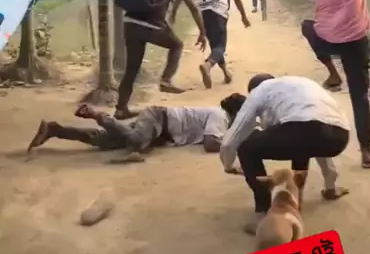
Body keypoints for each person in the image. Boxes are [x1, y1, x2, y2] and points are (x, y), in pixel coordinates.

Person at [265, 0, 370, 169]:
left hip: (327, 39)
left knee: (307, 26)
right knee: (359, 97)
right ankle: (366, 152)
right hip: (356, 39)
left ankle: (332, 72)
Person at [220, 73, 350, 234]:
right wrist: (330, 183)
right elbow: (317, 134)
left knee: (247, 147)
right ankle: (305, 199)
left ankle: (265, 215)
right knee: (301, 144)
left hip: (304, 129)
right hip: (339, 136)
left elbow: (233, 137)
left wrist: (228, 164)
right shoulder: (300, 84)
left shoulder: (259, 91)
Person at [93, 0, 207, 119]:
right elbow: (193, 7)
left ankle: (121, 109)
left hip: (130, 23)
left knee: (131, 70)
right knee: (177, 45)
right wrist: (202, 32)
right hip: (152, 25)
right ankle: (166, 80)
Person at [27, 94, 247, 157]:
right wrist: (235, 145)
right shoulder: (220, 116)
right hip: (158, 119)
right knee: (136, 141)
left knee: (105, 141)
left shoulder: (220, 116)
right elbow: (210, 144)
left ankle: (56, 130)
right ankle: (97, 114)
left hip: (159, 127)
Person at [173, 0, 251, 88]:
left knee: (215, 46)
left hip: (202, 15)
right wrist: (243, 16)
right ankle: (207, 65)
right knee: (220, 47)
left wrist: (173, 12)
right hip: (218, 14)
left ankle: (226, 73)